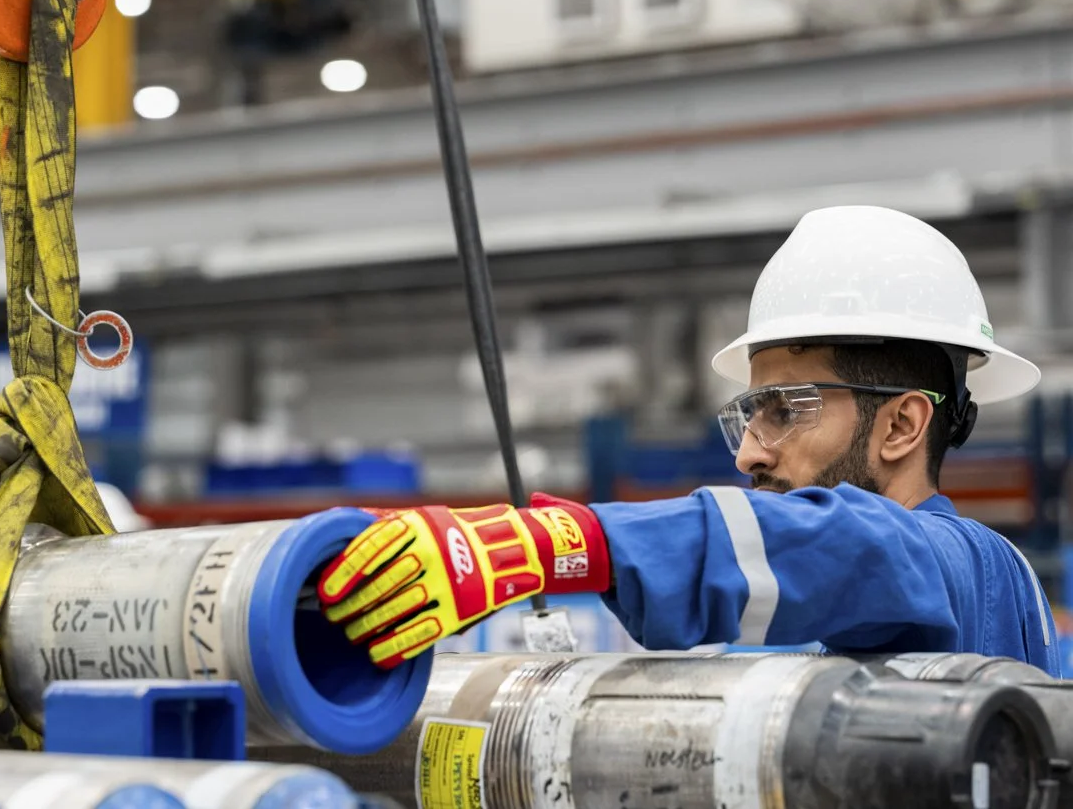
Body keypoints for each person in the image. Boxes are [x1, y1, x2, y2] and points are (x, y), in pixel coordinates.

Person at [317, 205, 1061, 677]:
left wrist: (559, 543)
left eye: (785, 409)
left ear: (902, 424)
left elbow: (854, 545)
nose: (750, 452)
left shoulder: (968, 567)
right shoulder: (816, 618)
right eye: (749, 414)